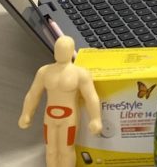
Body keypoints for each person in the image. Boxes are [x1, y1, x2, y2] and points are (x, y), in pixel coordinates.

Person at [19, 36, 103, 167]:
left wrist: (96, 119)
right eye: (58, 49)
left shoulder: (80, 73)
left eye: (64, 49)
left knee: (66, 151)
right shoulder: (44, 71)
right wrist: (26, 114)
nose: (60, 52)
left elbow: (91, 96)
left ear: (71, 51)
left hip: (69, 119)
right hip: (49, 118)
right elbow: (33, 94)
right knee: (51, 151)